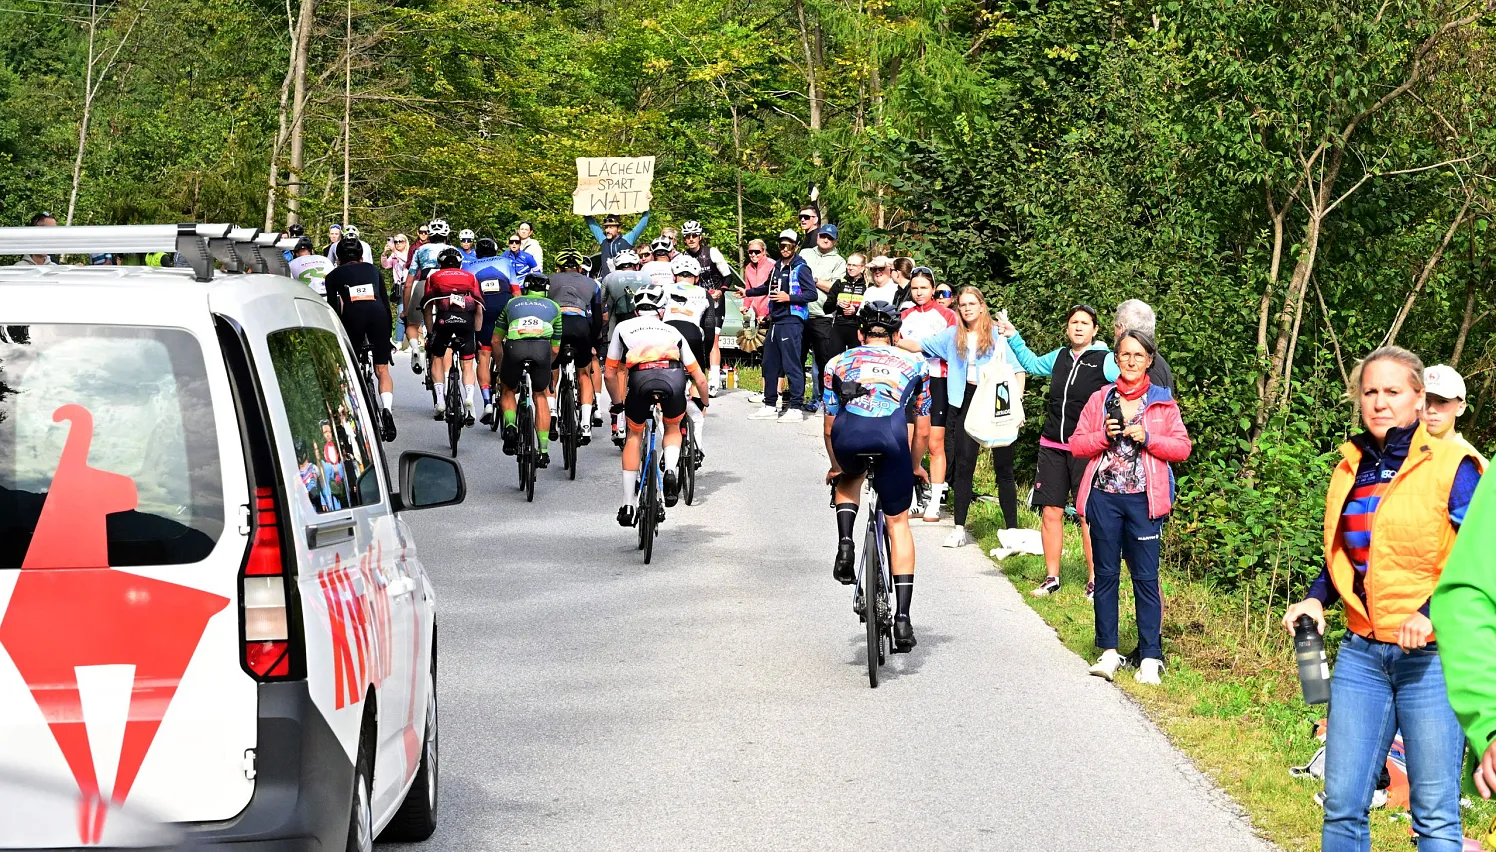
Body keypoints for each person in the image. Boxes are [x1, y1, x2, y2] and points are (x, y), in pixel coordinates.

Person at [1282, 346, 1480, 852]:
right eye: (1370, 391)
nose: (1379, 402)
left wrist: (1432, 613)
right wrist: (1313, 599)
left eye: (1393, 391)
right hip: (1362, 655)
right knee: (1343, 805)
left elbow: (1481, 558)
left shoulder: (1456, 466)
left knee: (1433, 816)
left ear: (1419, 401)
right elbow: (1350, 556)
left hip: (1433, 658)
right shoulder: (1352, 468)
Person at [1069, 330, 1192, 684]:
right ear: (1117, 360)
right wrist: (1102, 438)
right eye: (1125, 355)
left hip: (1144, 501)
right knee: (1106, 576)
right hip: (1104, 498)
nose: (1132, 361)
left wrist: (1149, 438)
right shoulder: (1100, 398)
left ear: (1149, 360)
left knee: (1146, 579)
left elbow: (1182, 448)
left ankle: (1150, 656)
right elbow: (1077, 444)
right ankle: (1108, 651)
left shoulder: (1162, 403)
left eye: (1139, 356)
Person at [824, 301, 929, 651]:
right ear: (897, 335)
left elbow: (828, 426)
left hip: (849, 436)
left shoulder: (837, 363)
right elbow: (923, 430)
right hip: (893, 438)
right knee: (898, 523)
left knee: (848, 477)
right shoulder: (916, 363)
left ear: (860, 334)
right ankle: (902, 619)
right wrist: (914, 466)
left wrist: (837, 465)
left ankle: (845, 541)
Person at [1003, 304, 1119, 598]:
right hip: (1052, 444)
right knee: (1051, 511)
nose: (1078, 327)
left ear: (1095, 330)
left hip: (1087, 448)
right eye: (1073, 322)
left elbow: (1128, 384)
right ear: (1067, 328)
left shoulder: (1105, 360)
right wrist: (1014, 336)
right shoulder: (1059, 357)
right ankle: (1051, 577)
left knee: (1087, 515)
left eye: (1084, 323)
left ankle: (1095, 580)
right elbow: (1030, 364)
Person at [900, 286, 1025, 545]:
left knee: (1004, 466)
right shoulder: (951, 335)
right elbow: (917, 345)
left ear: (982, 306)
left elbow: (1018, 369)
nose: (967, 309)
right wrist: (891, 337)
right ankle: (959, 528)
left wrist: (1016, 403)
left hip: (995, 399)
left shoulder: (996, 334)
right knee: (964, 464)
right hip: (965, 398)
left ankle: (1012, 530)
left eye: (972, 304)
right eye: (963, 305)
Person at [606, 281, 710, 521]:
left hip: (640, 379)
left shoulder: (623, 327)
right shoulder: (673, 332)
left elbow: (610, 373)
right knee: (673, 427)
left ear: (635, 310)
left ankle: (627, 505)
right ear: (661, 311)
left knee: (634, 435)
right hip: (672, 379)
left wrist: (617, 403)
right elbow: (699, 378)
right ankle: (671, 469)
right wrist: (703, 401)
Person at [1430, 448, 1496, 807]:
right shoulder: (1367, 467)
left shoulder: (1463, 468)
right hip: (1445, 643)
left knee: (1436, 802)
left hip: (1437, 638)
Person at [897, 269, 958, 522]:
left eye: (924, 287)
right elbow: (896, 343)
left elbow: (954, 348)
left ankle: (934, 501)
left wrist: (924, 346)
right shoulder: (905, 315)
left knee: (935, 441)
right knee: (910, 438)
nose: (919, 292)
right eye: (914, 288)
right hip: (910, 379)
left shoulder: (947, 315)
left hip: (938, 379)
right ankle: (911, 496)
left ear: (933, 289)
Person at [324, 236, 398, 442]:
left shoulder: (332, 276)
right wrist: (387, 334)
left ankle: (347, 415)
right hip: (378, 316)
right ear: (362, 256)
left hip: (353, 317)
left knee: (347, 369)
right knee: (382, 369)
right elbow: (384, 303)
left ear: (338, 258)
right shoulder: (373, 270)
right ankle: (387, 410)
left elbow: (334, 309)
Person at [743, 230, 818, 421]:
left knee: (791, 363)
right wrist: (747, 292)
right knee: (769, 363)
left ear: (795, 246)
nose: (784, 249)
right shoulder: (776, 267)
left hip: (792, 320)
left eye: (788, 245)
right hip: (775, 320)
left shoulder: (801, 268)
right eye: (781, 245)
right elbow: (766, 288)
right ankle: (769, 404)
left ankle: (795, 407)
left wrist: (789, 298)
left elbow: (812, 294)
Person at [493, 273, 562, 466]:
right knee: (540, 395)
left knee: (508, 389)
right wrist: (547, 364)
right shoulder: (554, 307)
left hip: (515, 349)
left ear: (525, 287)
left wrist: (501, 366)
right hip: (541, 350)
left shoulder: (512, 303)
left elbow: (496, 340)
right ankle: (544, 450)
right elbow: (555, 348)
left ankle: (511, 425)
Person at [549, 248, 605, 444]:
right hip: (581, 326)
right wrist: (595, 341)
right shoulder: (592, 283)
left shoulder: (550, 279)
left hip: (557, 325)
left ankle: (553, 413)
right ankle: (586, 424)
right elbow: (597, 318)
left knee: (553, 367)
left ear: (558, 267)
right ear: (580, 268)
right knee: (583, 373)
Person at [422, 246, 484, 424]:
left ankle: (440, 401)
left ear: (440, 263)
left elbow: (427, 307)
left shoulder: (433, 277)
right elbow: (479, 308)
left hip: (443, 320)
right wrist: (477, 335)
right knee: (467, 363)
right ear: (460, 263)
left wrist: (430, 333)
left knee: (438, 357)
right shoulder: (470, 277)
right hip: (466, 321)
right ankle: (470, 398)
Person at [663, 254, 717, 458]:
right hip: (694, 335)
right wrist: (704, 359)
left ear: (674, 275)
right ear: (696, 277)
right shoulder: (704, 293)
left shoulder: (664, 289)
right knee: (696, 379)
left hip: (668, 334)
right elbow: (709, 327)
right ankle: (697, 443)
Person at [680, 221, 738, 395]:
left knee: (713, 340)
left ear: (700, 237)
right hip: (696, 303)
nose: (691, 239)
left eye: (694, 236)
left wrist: (721, 291)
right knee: (692, 340)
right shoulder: (683, 257)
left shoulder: (711, 252)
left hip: (715, 302)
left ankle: (713, 382)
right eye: (688, 237)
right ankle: (692, 379)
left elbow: (728, 277)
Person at [463, 238, 516, 424]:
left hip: (483, 306)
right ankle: (505, 376)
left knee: (484, 354)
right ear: (495, 251)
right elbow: (516, 290)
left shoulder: (468, 265)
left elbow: (466, 295)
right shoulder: (506, 262)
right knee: (506, 345)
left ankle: (486, 401)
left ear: (477, 252)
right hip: (504, 304)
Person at [800, 224, 848, 413]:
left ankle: (821, 399)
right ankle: (797, 398)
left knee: (822, 362)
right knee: (797, 359)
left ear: (835, 240)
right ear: (818, 236)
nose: (825, 239)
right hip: (800, 312)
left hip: (823, 316)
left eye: (830, 237)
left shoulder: (839, 261)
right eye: (823, 236)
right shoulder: (804, 253)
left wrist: (814, 280)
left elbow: (836, 288)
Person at [404, 218, 456, 371]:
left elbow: (408, 283)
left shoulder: (420, 250)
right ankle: (446, 374)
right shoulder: (453, 249)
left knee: (412, 325)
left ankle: (414, 347)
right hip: (448, 285)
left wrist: (406, 310)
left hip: (424, 283)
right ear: (446, 235)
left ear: (429, 235)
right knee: (447, 330)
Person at [1422, 364, 1487, 464]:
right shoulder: (1396, 451)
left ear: (1460, 408)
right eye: (1425, 400)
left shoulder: (1475, 463)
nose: (1431, 409)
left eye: (1442, 401)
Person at [1113, 299, 1172, 389]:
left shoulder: (1147, 371)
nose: (1131, 362)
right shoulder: (1157, 362)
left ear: (1123, 329)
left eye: (1116, 326)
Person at [825, 253, 868, 352]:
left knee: (856, 360)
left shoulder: (867, 285)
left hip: (858, 328)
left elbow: (870, 310)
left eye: (854, 265)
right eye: (849, 265)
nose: (850, 268)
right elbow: (826, 308)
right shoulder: (839, 283)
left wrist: (855, 310)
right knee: (834, 358)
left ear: (862, 268)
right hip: (839, 326)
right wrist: (837, 303)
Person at [586, 211, 651, 269]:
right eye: (606, 227)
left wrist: (646, 207)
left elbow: (642, 224)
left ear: (619, 229)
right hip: (607, 281)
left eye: (611, 227)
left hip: (624, 280)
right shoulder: (603, 240)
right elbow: (590, 222)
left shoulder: (627, 239)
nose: (607, 230)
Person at [382, 234, 414, 346]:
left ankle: (418, 338)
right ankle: (399, 341)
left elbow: (407, 262)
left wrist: (395, 251)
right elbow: (385, 265)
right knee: (401, 313)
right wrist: (385, 254)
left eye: (400, 241)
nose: (398, 244)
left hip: (411, 285)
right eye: (395, 242)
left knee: (416, 313)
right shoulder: (394, 256)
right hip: (400, 286)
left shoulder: (409, 253)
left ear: (405, 242)